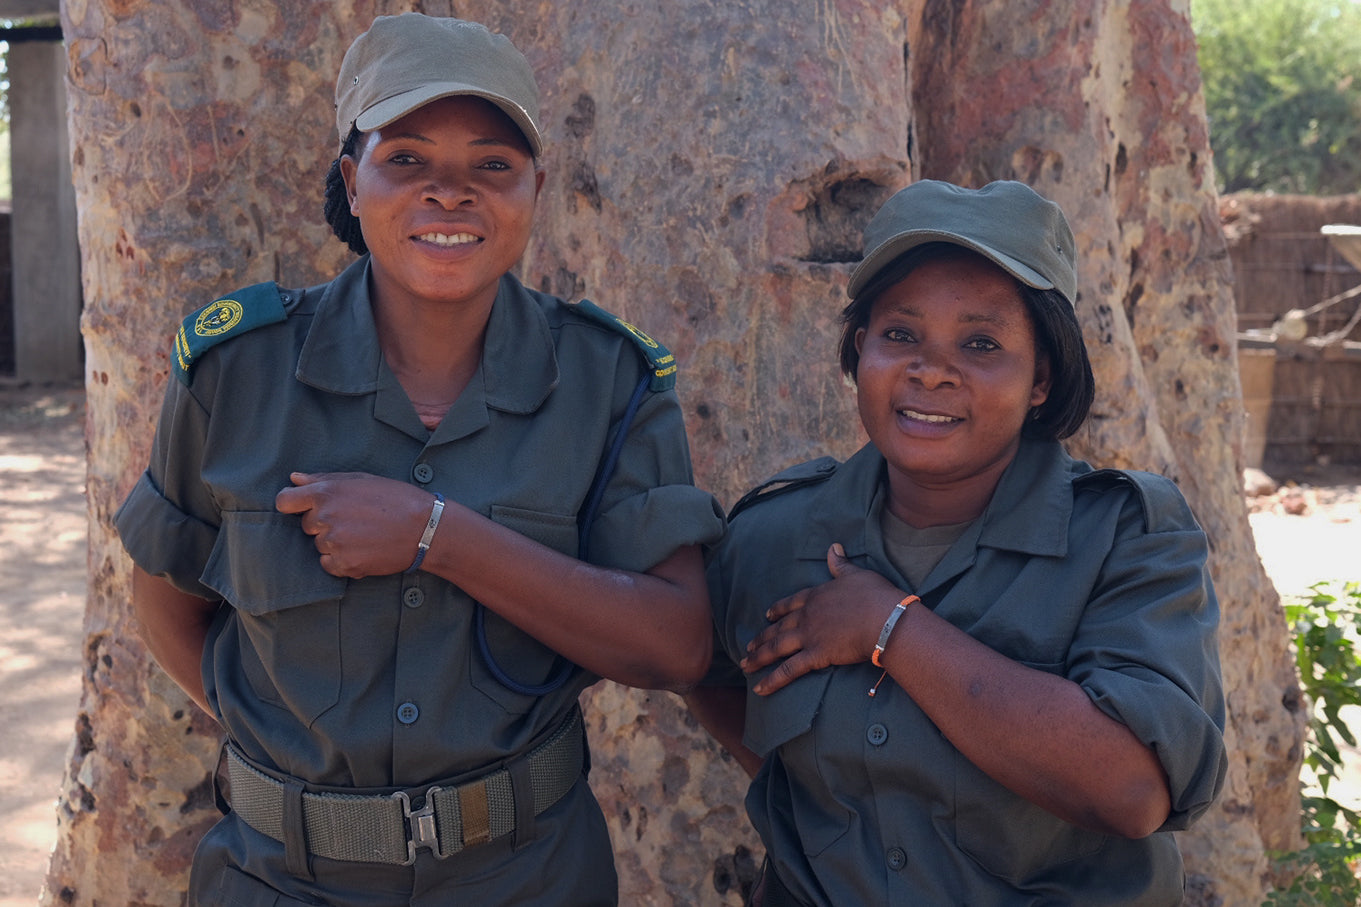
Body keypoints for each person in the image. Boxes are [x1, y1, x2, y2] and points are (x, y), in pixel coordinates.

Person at [116, 13, 724, 906]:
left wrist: (438, 536)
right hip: (279, 879)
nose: (450, 193)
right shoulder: (236, 372)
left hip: (527, 877)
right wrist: (293, 754)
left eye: (492, 165)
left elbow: (675, 643)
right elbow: (166, 600)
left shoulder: (608, 384)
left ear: (535, 187)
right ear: (351, 180)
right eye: (405, 158)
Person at [686, 179, 1227, 905]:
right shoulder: (772, 537)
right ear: (859, 350)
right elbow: (697, 663)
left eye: (980, 344)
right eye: (900, 335)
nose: (932, 370)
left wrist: (890, 628)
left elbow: (1130, 790)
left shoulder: (1124, 536)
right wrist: (833, 815)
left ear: (1041, 377)